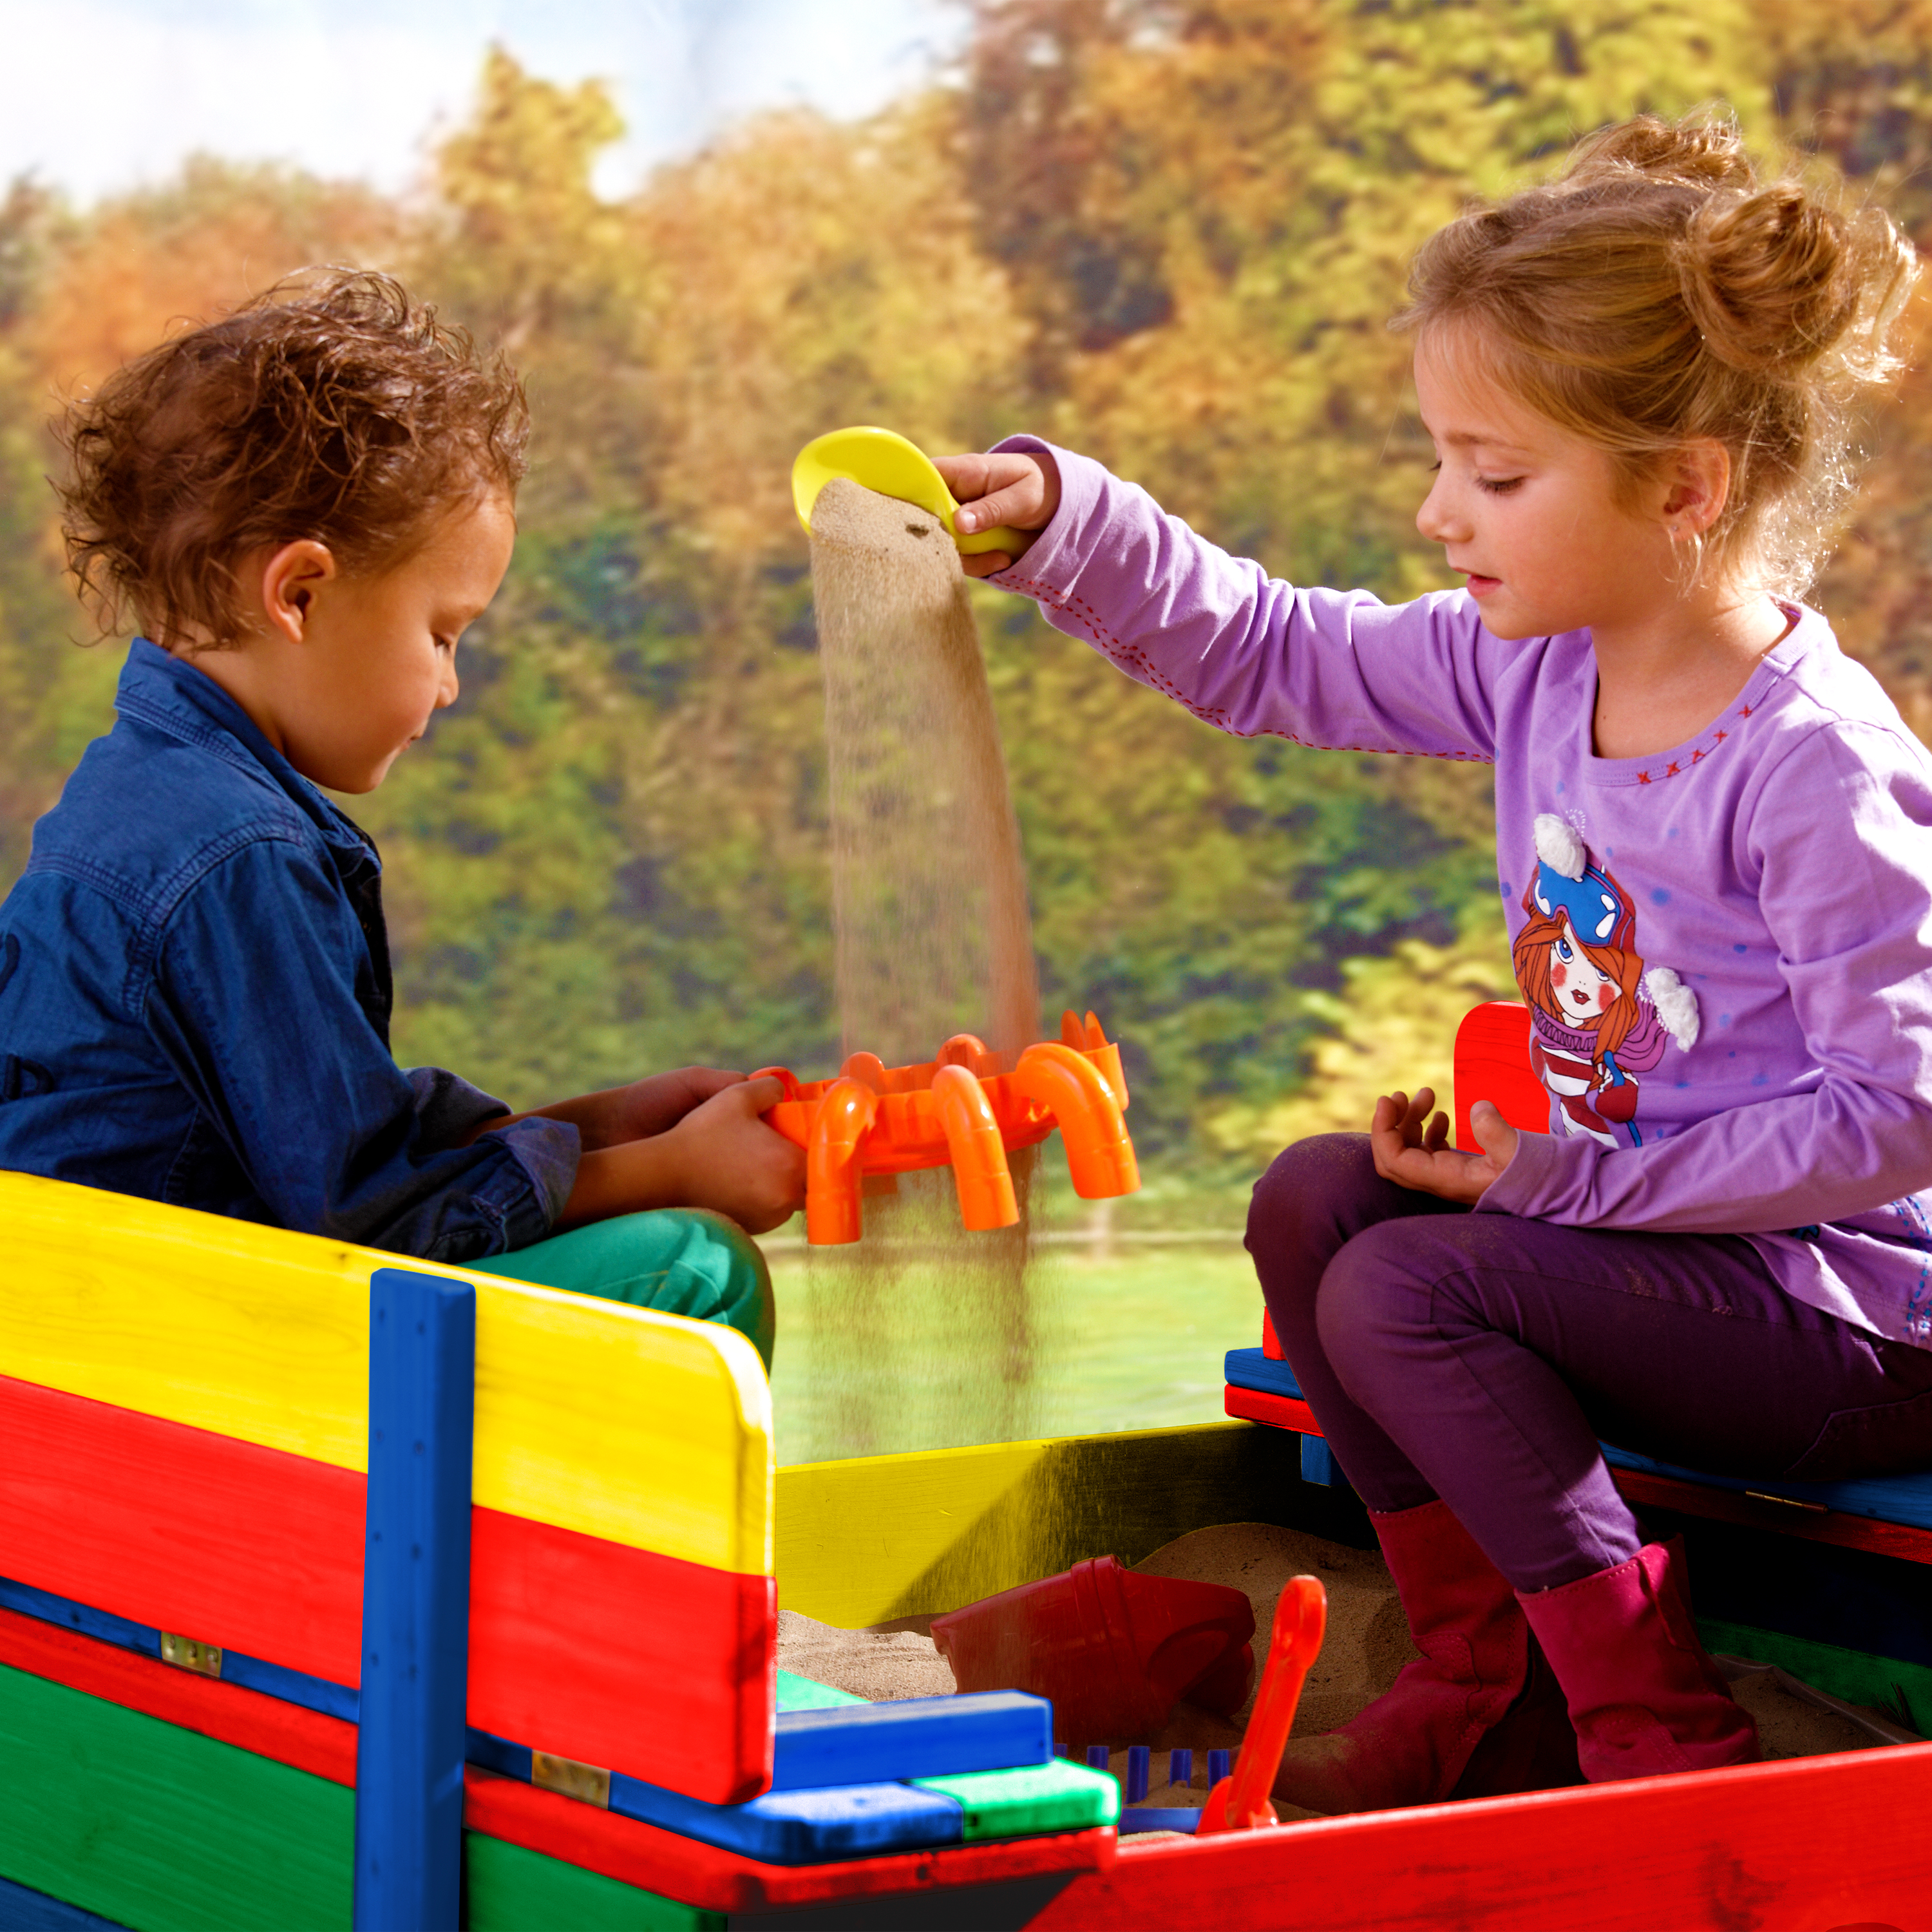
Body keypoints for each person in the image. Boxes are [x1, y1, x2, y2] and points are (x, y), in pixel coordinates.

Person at [936, 113, 1932, 1806]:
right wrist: (1062, 525)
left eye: (1496, 473)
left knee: (1408, 1279)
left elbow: (1896, 1117)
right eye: (1444, 459)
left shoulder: (1816, 766)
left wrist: (1557, 1189)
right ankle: (1486, 1675)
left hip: (1852, 1326)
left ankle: (1645, 1713)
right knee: (1316, 1202)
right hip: (1653, 1270)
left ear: (1683, 490)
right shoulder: (1530, 671)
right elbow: (1275, 651)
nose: (1437, 511)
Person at [0, 271, 803, 1367]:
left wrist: (611, 1124)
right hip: (172, 1374)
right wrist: (671, 1175)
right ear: (301, 595)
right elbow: (368, 1222)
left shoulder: (149, 799)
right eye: (442, 632)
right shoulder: (236, 855)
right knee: (687, 1270)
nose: (449, 684)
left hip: (132, 1333)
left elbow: (335, 1144)